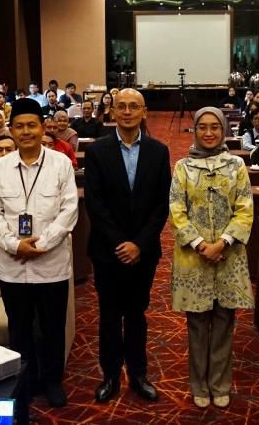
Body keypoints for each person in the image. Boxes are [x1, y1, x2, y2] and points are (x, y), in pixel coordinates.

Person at [0, 98, 78, 408]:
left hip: (51, 265)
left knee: (52, 328)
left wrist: (42, 244)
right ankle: (24, 381)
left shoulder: (61, 164)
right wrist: (15, 244)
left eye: (32, 126)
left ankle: (51, 380)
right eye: (20, 126)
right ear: (11, 130)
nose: (26, 132)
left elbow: (69, 211)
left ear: (43, 128)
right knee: (19, 328)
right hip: (12, 266)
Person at [84, 88, 171, 403]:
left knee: (136, 314)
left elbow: (162, 205)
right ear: (112, 111)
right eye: (121, 106)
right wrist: (120, 243)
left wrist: (139, 244)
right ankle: (110, 375)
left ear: (144, 112)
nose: (127, 111)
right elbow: (95, 204)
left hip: (143, 253)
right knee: (109, 315)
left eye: (134, 106)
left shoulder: (159, 151)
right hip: (107, 251)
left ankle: (138, 373)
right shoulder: (97, 151)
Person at [169, 107, 253, 409]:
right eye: (202, 127)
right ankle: (199, 384)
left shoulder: (236, 165)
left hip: (229, 256)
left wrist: (223, 243)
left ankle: (220, 383)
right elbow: (176, 209)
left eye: (214, 127)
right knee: (196, 325)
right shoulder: (183, 167)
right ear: (194, 130)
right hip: (194, 257)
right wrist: (201, 244)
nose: (208, 132)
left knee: (223, 323)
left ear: (223, 129)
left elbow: (245, 208)